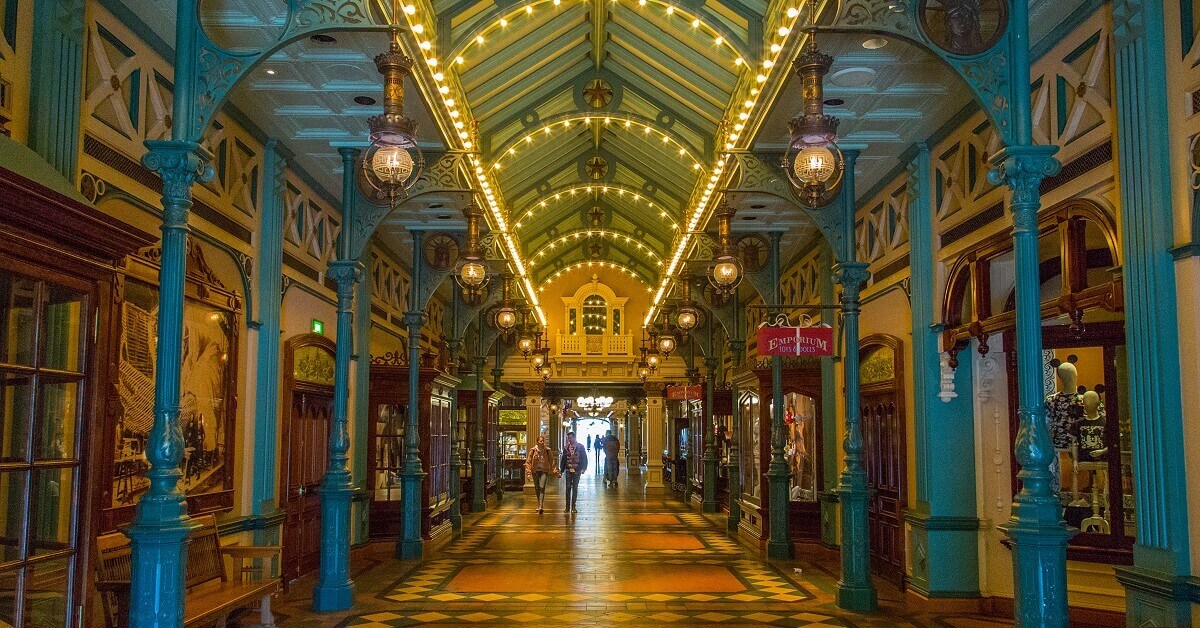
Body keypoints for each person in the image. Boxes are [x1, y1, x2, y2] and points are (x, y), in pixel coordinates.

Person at [525, 434, 559, 514]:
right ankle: (539, 503)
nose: (542, 442)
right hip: (535, 470)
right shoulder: (533, 450)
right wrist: (528, 472)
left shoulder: (547, 450)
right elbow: (528, 462)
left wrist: (555, 470)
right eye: (541, 441)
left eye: (543, 441)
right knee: (537, 488)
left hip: (544, 470)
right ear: (537, 442)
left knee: (542, 486)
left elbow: (551, 461)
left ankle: (540, 506)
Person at [559, 431, 588, 513]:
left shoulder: (580, 447)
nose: (569, 439)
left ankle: (573, 507)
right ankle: (567, 507)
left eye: (570, 437)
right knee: (568, 488)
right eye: (568, 438)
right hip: (568, 469)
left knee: (575, 487)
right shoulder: (566, 448)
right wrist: (561, 470)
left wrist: (583, 468)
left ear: (574, 438)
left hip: (577, 470)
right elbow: (563, 459)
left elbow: (584, 458)